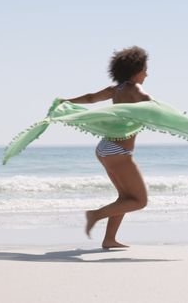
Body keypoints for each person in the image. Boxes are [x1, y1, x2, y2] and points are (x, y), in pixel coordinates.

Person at [61, 46, 151, 249]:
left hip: (104, 148)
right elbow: (155, 107)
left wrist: (66, 101)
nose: (147, 73)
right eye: (145, 69)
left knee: (125, 197)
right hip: (118, 151)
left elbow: (91, 97)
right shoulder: (135, 90)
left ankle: (109, 239)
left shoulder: (115, 90)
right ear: (135, 70)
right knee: (139, 201)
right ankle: (95, 215)